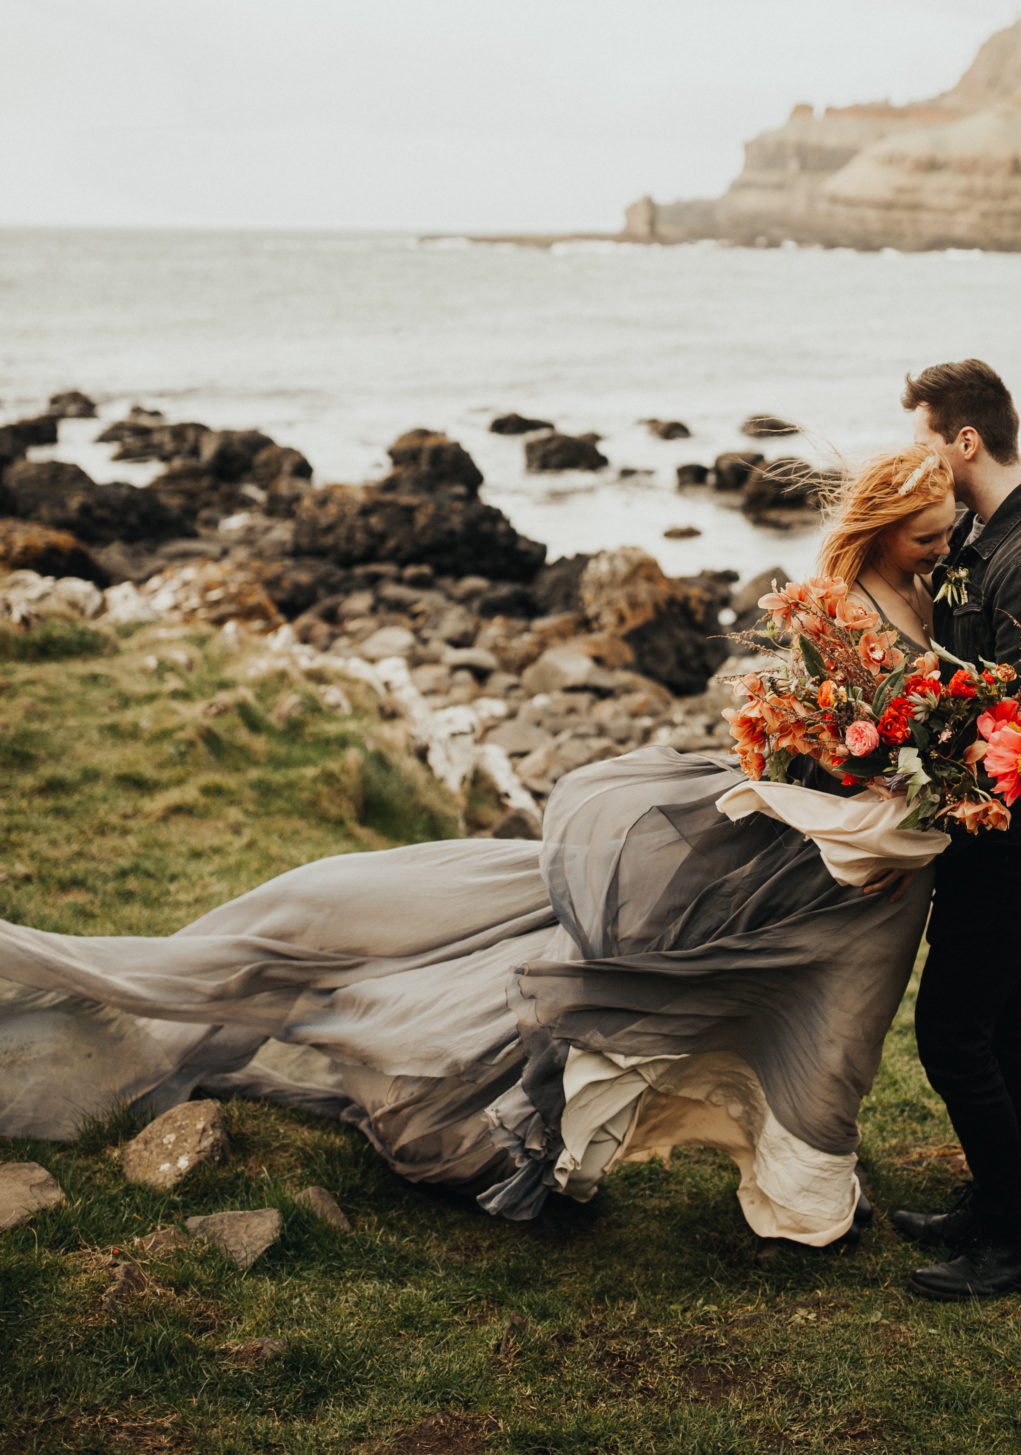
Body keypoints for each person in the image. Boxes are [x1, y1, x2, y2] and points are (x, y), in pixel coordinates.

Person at [0, 444, 957, 1249]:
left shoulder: (926, 591)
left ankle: (798, 1182)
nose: (944, 543)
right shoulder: (837, 611)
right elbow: (791, 734)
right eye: (927, 530)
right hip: (811, 846)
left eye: (948, 526)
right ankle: (463, 1102)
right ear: (879, 530)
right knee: (603, 962)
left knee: (780, 1010)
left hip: (844, 863)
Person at [893, 358, 1021, 1301]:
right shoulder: (985, 531)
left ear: (962, 441)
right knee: (1002, 1015)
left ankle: (1010, 1243)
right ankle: (998, 1197)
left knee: (951, 1033)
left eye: (921, 436)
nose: (914, 454)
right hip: (1001, 827)